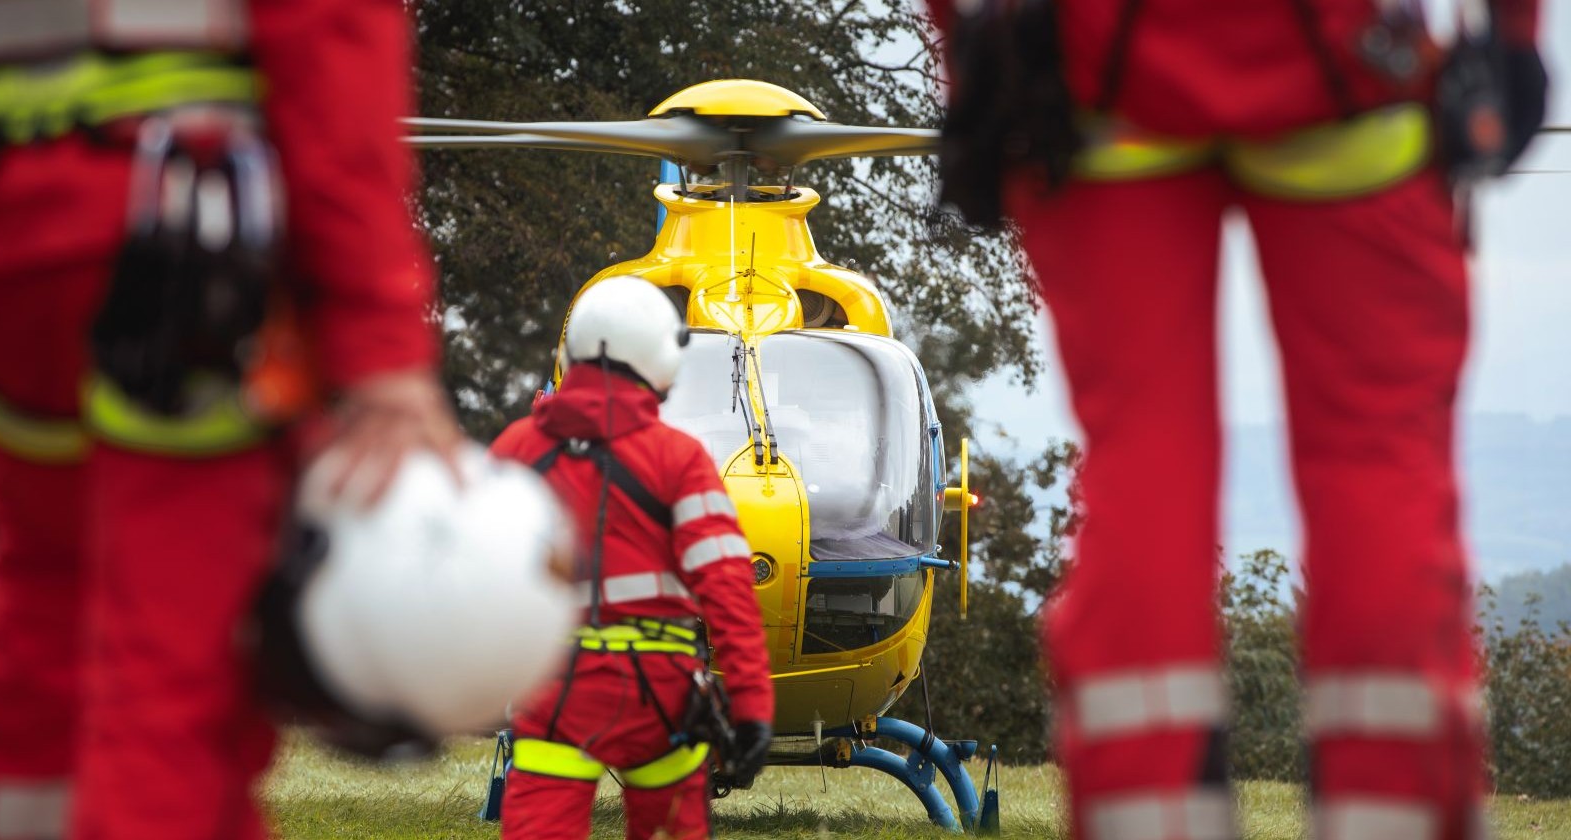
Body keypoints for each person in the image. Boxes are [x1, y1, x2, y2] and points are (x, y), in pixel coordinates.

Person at [926, 1, 1546, 838]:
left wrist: (968, 59)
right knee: (1378, 468)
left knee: (1141, 468)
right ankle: (1393, 808)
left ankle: (1147, 810)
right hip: (1350, 75)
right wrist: (1514, 40)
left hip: (1100, 79)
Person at [0, 2, 460, 838]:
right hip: (171, 230)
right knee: (179, 668)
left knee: (46, 600)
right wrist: (380, 346)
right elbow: (334, 36)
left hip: (4, 221)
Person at [490, 276, 775, 840]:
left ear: (571, 353)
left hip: (554, 690)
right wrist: (751, 704)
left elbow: (478, 579)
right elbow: (727, 590)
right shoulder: (680, 460)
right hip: (660, 696)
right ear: (659, 357)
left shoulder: (517, 449)